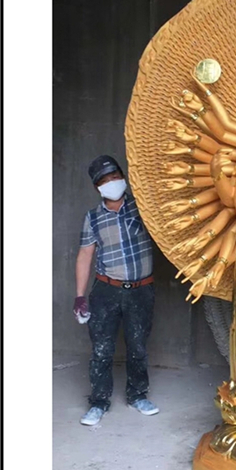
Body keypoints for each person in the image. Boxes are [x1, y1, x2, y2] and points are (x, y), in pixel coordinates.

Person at [74, 155, 159, 426]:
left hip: (141, 290)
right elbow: (85, 255)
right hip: (106, 290)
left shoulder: (143, 207)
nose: (112, 183)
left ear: (123, 177)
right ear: (97, 187)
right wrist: (80, 296)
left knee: (138, 347)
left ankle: (138, 396)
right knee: (102, 349)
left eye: (115, 177)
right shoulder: (93, 218)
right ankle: (98, 402)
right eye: (105, 180)